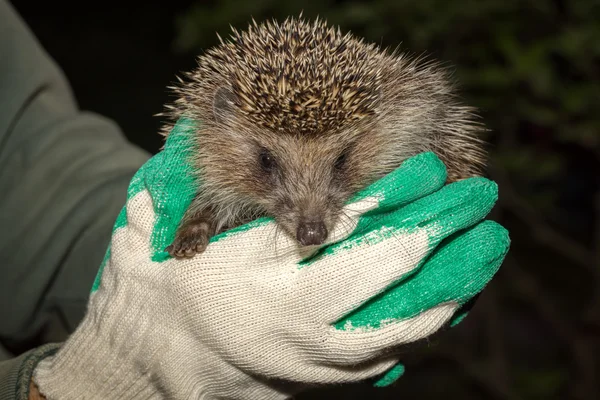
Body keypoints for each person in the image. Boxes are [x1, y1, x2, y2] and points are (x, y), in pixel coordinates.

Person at [0, 1, 510, 399]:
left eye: (337, 164)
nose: (311, 221)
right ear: (221, 120)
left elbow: (38, 181)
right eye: (269, 164)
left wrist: (129, 255)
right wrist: (123, 356)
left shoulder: (403, 115)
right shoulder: (215, 156)